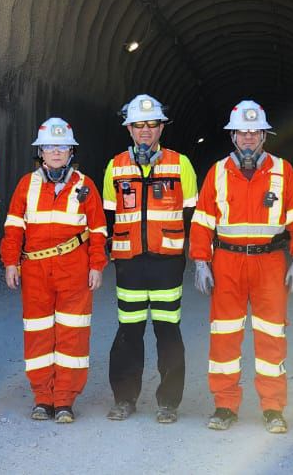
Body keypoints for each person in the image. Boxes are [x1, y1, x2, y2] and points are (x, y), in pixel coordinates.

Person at [191, 100, 293, 434]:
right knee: (224, 337)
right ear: (233, 136)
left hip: (269, 262)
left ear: (264, 135)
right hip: (227, 261)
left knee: (272, 335)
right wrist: (201, 261)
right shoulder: (218, 172)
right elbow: (202, 220)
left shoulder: (283, 171)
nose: (247, 138)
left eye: (254, 132)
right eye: (241, 132)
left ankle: (273, 408)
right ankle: (225, 405)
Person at [1, 118, 107, 422]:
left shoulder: (85, 186)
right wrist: (11, 262)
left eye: (62, 146)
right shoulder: (27, 184)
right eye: (50, 146)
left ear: (71, 151)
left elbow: (98, 229)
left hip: (74, 267)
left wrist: (96, 265)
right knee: (38, 334)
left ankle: (64, 399)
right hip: (35, 268)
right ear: (41, 152)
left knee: (72, 334)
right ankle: (42, 397)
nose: (56, 152)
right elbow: (13, 227)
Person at [102, 93, 198, 424]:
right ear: (129, 129)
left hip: (167, 262)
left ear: (161, 129)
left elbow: (192, 216)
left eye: (152, 125)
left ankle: (168, 402)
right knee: (129, 331)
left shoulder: (180, 163)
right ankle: (125, 399)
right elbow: (107, 218)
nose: (145, 131)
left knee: (167, 330)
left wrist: (195, 257)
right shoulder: (115, 166)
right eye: (139, 125)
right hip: (129, 262)